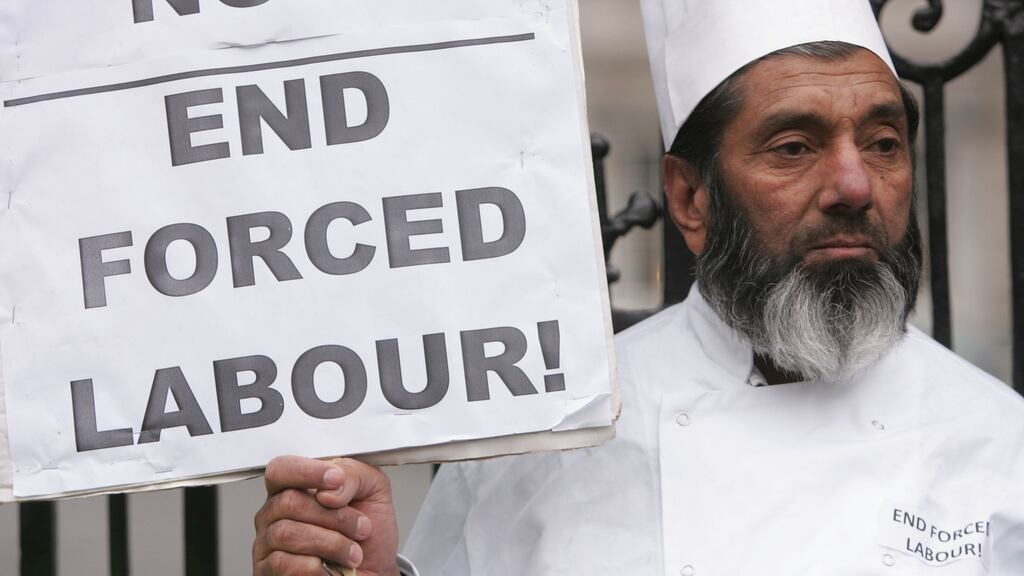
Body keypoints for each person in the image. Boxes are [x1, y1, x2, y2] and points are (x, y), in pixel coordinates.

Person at [251, 1, 1024, 574]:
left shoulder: (1001, 446)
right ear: (690, 199)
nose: (855, 183)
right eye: (794, 146)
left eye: (883, 143)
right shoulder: (547, 441)